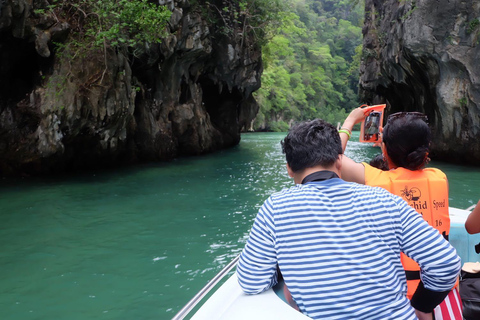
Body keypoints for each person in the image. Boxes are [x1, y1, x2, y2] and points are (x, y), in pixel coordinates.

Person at [236, 119, 461, 320]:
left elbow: (250, 280)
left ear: (288, 169)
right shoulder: (385, 200)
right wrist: (420, 306)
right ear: (339, 162)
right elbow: (446, 263)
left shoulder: (275, 208)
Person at [339, 108, 462, 319]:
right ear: (427, 150)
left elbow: (332, 160)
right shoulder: (439, 178)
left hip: (399, 299)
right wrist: (389, 147)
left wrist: (350, 121)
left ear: (385, 150)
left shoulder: (378, 181)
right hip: (442, 295)